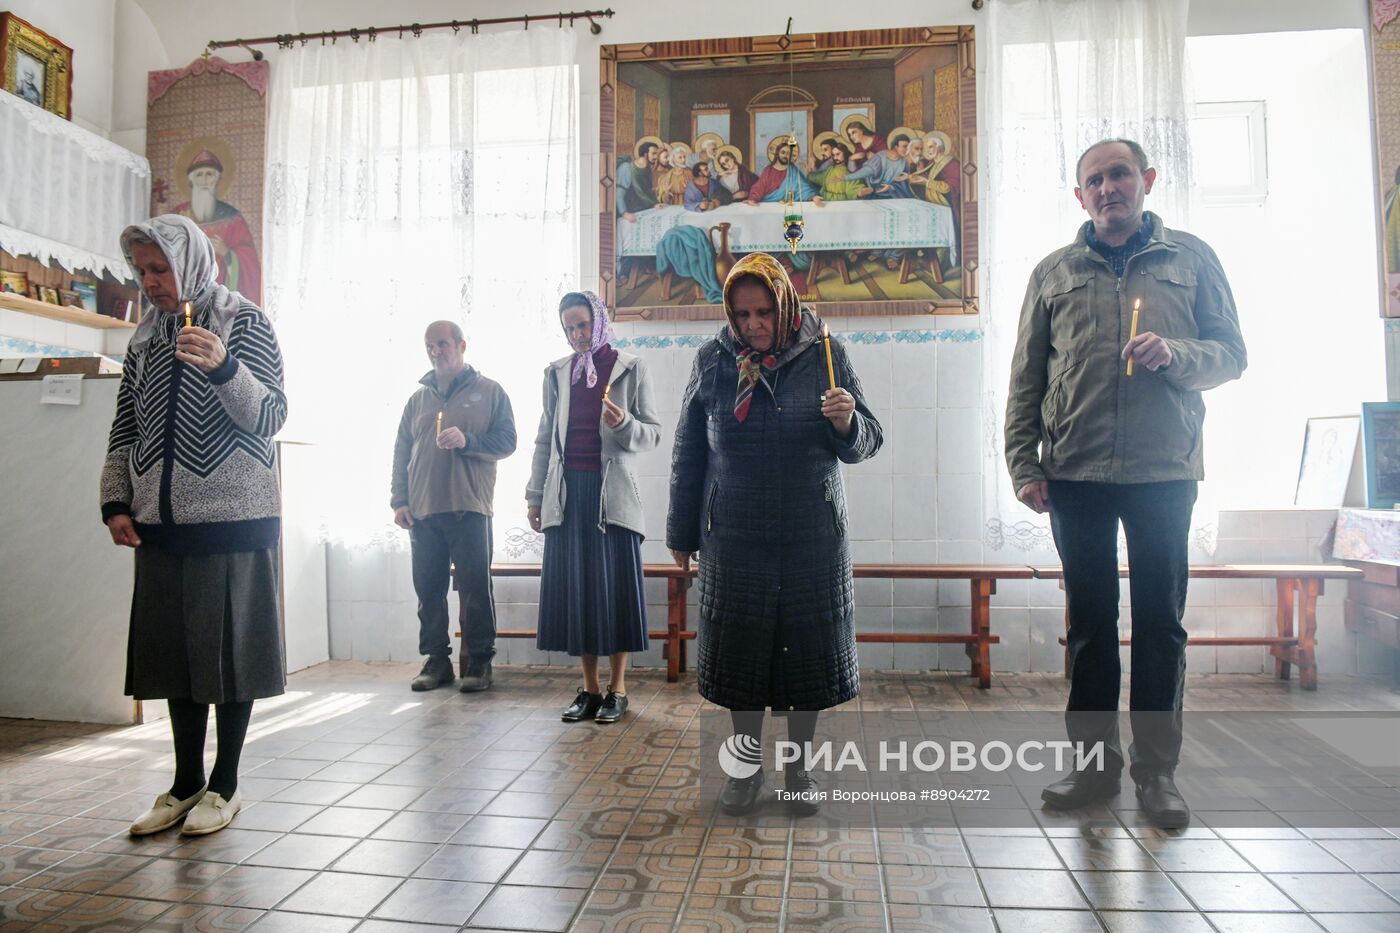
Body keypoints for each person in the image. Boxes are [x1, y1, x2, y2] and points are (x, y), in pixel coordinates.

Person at [1004, 139, 1247, 828]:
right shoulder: (1053, 272)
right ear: (1079, 195)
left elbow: (1231, 354)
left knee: (1161, 624)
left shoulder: (1191, 260)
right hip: (1074, 471)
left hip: (1163, 471)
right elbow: (1026, 376)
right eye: (1094, 179)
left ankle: (1157, 773)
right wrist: (1023, 462)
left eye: (1119, 174)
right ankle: (1091, 769)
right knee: (1089, 626)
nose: (1108, 187)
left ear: (1147, 180)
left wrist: (1176, 354)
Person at [667, 252, 883, 817]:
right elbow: (689, 452)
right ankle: (744, 771)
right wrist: (681, 533)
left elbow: (868, 441)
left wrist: (847, 423)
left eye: (764, 312)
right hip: (734, 536)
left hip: (811, 535)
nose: (754, 325)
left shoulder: (826, 354)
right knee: (740, 659)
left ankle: (798, 770)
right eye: (742, 315)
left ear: (784, 305)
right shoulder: (714, 360)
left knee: (805, 660)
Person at [102, 214, 288, 837]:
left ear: (191, 262)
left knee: (230, 657)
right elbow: (125, 425)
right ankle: (185, 784)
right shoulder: (144, 337)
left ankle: (225, 784)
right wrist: (116, 501)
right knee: (175, 659)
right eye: (142, 271)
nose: (150, 282)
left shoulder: (245, 322)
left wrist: (225, 367)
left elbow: (271, 415)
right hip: (160, 523)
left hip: (233, 520)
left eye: (160, 269)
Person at [527, 292, 662, 723]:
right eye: (569, 328)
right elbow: (545, 439)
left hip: (613, 496)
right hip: (567, 496)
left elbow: (653, 434)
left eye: (583, 325)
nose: (577, 335)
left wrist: (624, 424)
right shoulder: (557, 374)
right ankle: (588, 689)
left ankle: (617, 689)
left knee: (615, 591)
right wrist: (534, 495)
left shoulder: (630, 367)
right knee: (579, 593)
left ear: (599, 322)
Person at [392, 321, 517, 693]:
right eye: (430, 345)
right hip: (423, 511)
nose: (436, 351)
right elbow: (401, 452)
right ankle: (436, 662)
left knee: (475, 590)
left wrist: (468, 440)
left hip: (469, 507)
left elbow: (507, 441)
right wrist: (399, 500)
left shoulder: (491, 392)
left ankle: (479, 662)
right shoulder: (417, 400)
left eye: (443, 344)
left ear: (462, 345)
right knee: (428, 591)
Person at [171, 150, 263, 303]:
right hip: (185, 297)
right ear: (191, 180)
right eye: (199, 175)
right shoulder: (178, 215)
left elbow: (250, 261)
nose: (204, 180)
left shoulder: (233, 218)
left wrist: (227, 252)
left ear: (217, 179)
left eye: (209, 174)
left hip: (220, 298)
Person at [746, 137, 819, 204]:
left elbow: (803, 187)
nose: (785, 156)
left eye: (788, 153)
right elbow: (759, 187)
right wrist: (753, 199)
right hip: (771, 205)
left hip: (789, 205)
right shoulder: (769, 170)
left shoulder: (793, 170)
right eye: (783, 152)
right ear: (777, 153)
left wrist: (812, 196)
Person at [616, 138, 662, 222]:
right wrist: (624, 213)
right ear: (645, 154)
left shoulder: (648, 169)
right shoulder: (627, 167)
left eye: (657, 154)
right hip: (630, 213)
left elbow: (647, 193)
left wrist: (656, 204)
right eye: (653, 153)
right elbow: (619, 193)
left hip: (644, 211)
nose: (656, 157)